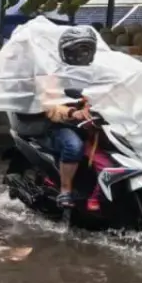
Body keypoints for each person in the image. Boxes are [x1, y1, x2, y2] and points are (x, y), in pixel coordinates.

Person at [42, 26, 98, 208]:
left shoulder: (96, 74)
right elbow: (50, 106)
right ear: (66, 52)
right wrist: (73, 112)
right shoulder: (56, 75)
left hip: (94, 124)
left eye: (86, 50)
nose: (82, 55)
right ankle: (65, 190)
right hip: (63, 125)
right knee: (74, 146)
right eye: (78, 50)